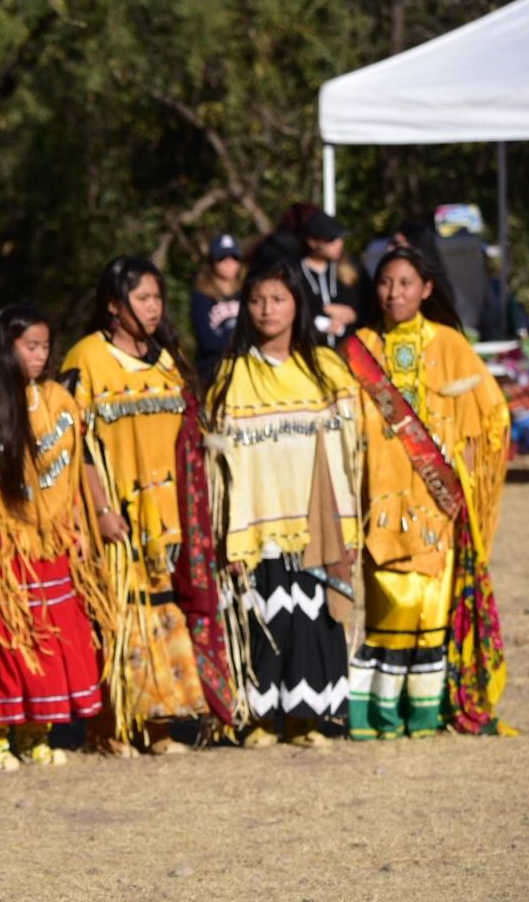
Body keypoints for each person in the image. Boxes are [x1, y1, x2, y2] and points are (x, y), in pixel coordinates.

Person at [345, 245, 511, 740]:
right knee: (389, 601)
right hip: (382, 498)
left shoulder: (451, 345)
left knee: (431, 606)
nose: (394, 293)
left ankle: (426, 713)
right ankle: (376, 716)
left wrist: (464, 470)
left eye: (405, 283)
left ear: (428, 289)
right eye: (385, 283)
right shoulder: (360, 349)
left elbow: (492, 415)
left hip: (439, 501)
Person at [60, 256, 215, 755]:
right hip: (116, 515)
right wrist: (101, 508)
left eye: (157, 298)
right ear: (113, 304)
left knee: (164, 619)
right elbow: (72, 443)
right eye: (142, 298)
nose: (153, 308)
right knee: (118, 620)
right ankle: (106, 729)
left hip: (168, 517)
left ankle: (160, 727)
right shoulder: (85, 359)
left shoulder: (167, 359)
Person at [204, 258, 361, 747]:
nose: (266, 310)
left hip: (315, 523)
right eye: (255, 300)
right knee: (259, 618)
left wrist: (348, 530)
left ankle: (305, 718)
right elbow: (216, 467)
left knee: (311, 621)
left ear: (298, 304)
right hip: (255, 526)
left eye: (277, 299)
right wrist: (223, 528)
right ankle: (255, 718)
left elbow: (350, 453)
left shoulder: (329, 371)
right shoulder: (230, 377)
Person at [0, 304, 105, 772]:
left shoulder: (58, 399)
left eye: (44, 346)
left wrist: (78, 528)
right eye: (29, 346)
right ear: (4, 347)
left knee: (50, 640)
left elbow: (74, 475)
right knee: (2, 641)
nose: (40, 355)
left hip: (51, 543)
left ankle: (37, 731)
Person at [295, 209, 367, 344]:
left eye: (340, 238)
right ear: (312, 242)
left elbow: (368, 304)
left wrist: (352, 315)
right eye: (331, 240)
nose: (339, 243)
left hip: (349, 351)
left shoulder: (351, 268)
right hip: (309, 350)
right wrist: (321, 311)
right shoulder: (295, 272)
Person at [190, 232, 244, 380]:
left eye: (234, 257)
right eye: (222, 258)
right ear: (211, 262)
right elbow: (207, 340)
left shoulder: (247, 292)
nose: (229, 263)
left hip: (244, 367)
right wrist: (239, 343)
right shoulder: (202, 296)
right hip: (212, 370)